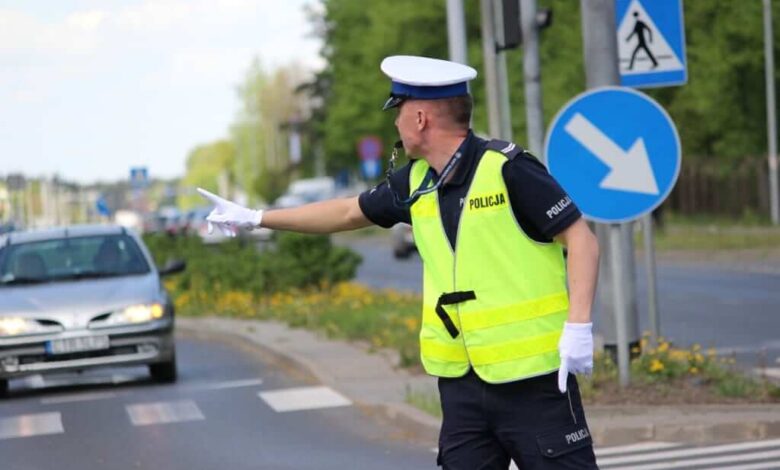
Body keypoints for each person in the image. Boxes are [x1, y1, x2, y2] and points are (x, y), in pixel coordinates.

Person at [199, 55, 600, 469]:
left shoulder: (508, 170)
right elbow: (345, 213)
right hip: (462, 385)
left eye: (399, 111)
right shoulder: (415, 181)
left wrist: (578, 326)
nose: (395, 123)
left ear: (421, 117)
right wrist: (257, 218)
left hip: (534, 381)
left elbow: (581, 239)